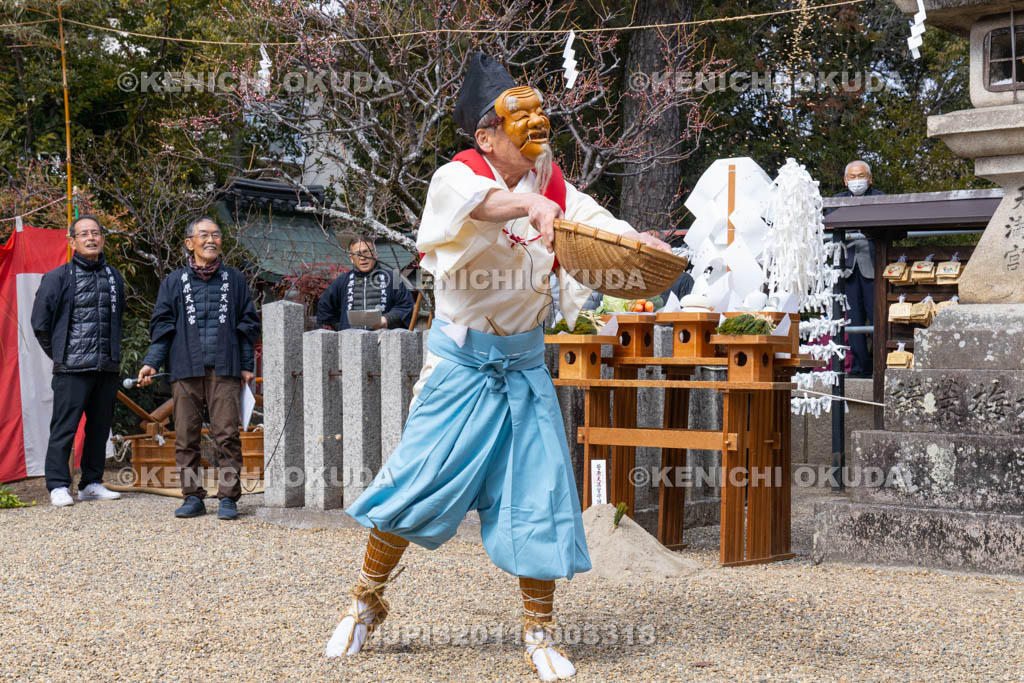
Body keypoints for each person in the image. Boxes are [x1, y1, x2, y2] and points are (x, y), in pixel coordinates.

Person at [326, 51, 671, 680]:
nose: (534, 127)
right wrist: (527, 207)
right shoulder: (457, 174)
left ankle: (539, 632)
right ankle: (365, 600)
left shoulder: (554, 181)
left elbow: (594, 223)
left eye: (538, 116)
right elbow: (478, 205)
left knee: (539, 494)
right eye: (518, 118)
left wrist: (635, 242)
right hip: (461, 368)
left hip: (524, 367)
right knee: (417, 484)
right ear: (487, 133)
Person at [136, 217, 261, 520]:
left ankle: (229, 497)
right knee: (186, 436)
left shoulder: (235, 280)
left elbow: (247, 325)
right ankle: (192, 496)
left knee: (227, 433)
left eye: (216, 235)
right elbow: (162, 326)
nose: (211, 240)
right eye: (203, 235)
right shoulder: (173, 281)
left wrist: (246, 366)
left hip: (225, 366)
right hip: (185, 367)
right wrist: (152, 362)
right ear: (189, 243)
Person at [31, 214, 125, 507]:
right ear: (72, 241)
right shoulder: (58, 277)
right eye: (83, 234)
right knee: (64, 428)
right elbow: (40, 324)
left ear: (103, 238)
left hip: (105, 367)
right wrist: (61, 355)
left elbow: (117, 318)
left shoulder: (114, 277)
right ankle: (58, 485)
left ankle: (91, 483)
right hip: (71, 369)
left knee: (99, 428)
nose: (91, 238)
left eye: (95, 233)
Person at [832, 160, 884, 378]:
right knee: (852, 319)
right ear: (845, 180)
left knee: (878, 317)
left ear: (870, 178)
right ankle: (859, 368)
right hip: (848, 268)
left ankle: (882, 366)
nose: (857, 180)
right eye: (852, 177)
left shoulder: (881, 199)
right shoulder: (835, 202)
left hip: (873, 265)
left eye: (860, 176)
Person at [316, 238, 415, 330]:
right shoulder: (342, 281)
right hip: (351, 341)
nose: (362, 258)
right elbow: (324, 308)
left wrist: (386, 320)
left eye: (366, 252)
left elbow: (406, 306)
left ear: (375, 254)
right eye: (357, 254)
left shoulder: (393, 278)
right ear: (351, 258)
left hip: (385, 339)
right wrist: (342, 326)